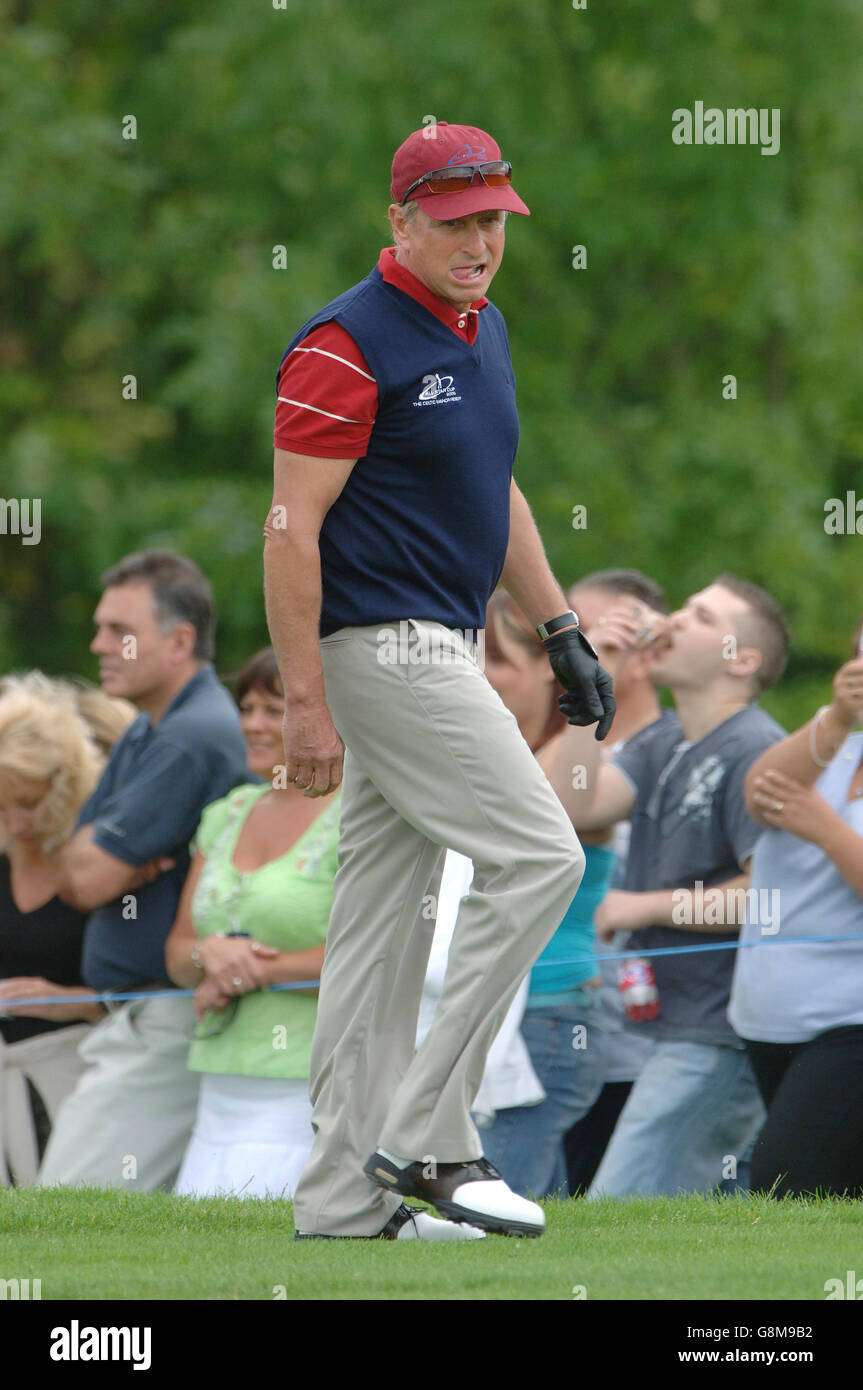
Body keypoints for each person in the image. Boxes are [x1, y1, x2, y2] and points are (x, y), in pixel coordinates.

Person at [264, 120, 614, 1239]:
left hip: (446, 642)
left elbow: (493, 493)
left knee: (379, 928)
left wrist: (556, 623)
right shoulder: (342, 344)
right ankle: (430, 1142)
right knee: (538, 853)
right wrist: (305, 700)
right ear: (399, 220)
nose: (479, 241)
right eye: (455, 221)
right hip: (384, 650)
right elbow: (288, 532)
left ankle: (340, 1202)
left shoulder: (481, 328)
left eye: (493, 221)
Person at [549, 575, 788, 1197]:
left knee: (615, 1211)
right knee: (689, 1217)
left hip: (718, 1032)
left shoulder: (756, 746)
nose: (675, 620)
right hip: (670, 1025)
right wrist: (586, 680)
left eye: (702, 616)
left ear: (744, 661)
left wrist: (641, 905)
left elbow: (766, 895)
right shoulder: (664, 741)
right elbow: (572, 803)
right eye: (681, 607)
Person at [38, 550, 249, 1191]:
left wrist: (103, 859)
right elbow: (70, 872)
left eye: (120, 631)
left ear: (180, 640)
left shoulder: (192, 736)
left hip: (167, 1018)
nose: (99, 643)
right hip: (138, 1019)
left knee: (65, 1210)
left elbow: (91, 877)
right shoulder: (147, 728)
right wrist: (101, 859)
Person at [165, 650, 341, 1201]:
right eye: (247, 708)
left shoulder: (358, 816)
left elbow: (375, 954)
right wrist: (210, 957)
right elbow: (176, 953)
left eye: (274, 708)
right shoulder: (228, 812)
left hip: (309, 1079)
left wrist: (252, 970)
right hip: (220, 1078)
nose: (252, 724)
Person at [728, 625, 863, 1197]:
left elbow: (804, 816)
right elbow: (760, 792)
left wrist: (827, 831)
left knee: (786, 1181)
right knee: (837, 1187)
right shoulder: (835, 742)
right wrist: (835, 718)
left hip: (849, 1018)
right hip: (769, 1015)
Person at [0, 675, 105, 1184]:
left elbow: (146, 993)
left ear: (65, 787)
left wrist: (75, 1000)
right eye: (1, 807)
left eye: (29, 803)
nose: (16, 823)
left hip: (78, 1076)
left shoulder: (98, 864)